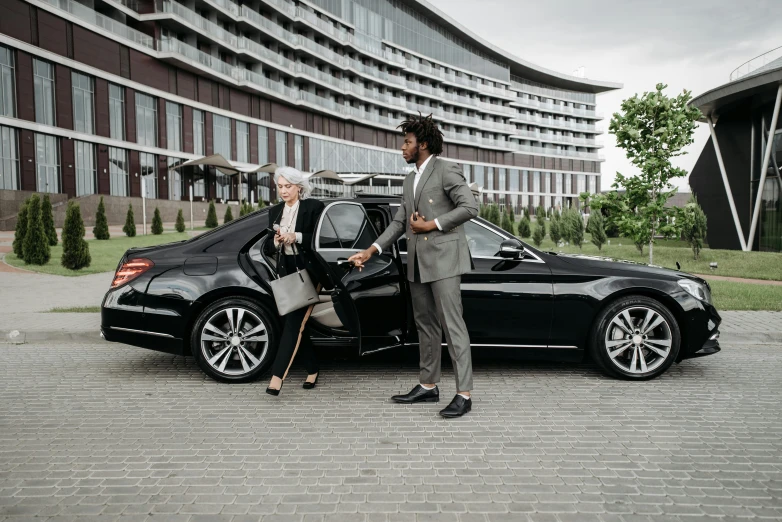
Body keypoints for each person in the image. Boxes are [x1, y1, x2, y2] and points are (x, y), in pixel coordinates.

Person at [349, 114, 478, 418]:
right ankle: (428, 386)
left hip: (445, 261)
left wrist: (432, 224)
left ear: (422, 144)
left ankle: (464, 394)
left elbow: (470, 207)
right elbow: (398, 222)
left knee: (452, 325)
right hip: (418, 263)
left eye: (407, 142)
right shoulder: (410, 179)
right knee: (426, 325)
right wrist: (370, 250)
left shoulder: (446, 169)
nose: (402, 148)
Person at [264, 166, 325, 396]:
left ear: (299, 187)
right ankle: (312, 368)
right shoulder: (275, 212)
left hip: (309, 271)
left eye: (288, 186)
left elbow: (321, 239)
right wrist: (279, 241)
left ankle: (276, 378)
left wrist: (296, 236)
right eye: (280, 187)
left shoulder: (314, 208)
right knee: (298, 323)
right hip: (286, 271)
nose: (283, 191)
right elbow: (268, 246)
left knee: (294, 323)